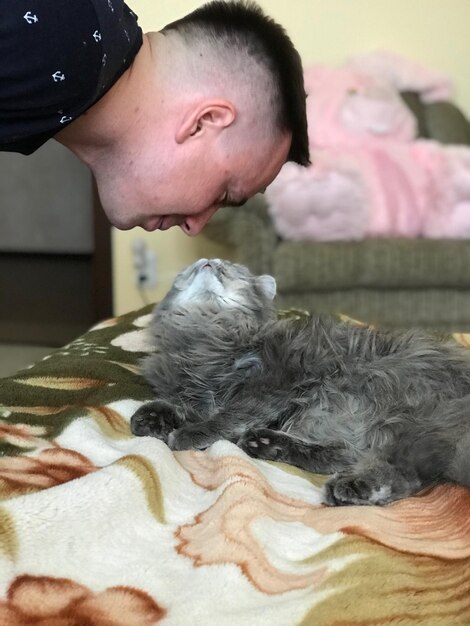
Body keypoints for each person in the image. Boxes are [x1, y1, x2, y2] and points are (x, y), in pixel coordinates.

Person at [0, 0, 309, 236]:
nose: (195, 227)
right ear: (203, 121)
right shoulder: (52, 42)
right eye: (224, 194)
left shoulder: (72, 54)